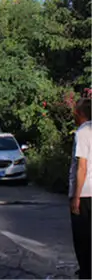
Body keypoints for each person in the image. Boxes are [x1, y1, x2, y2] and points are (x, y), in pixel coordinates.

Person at [69, 97, 92, 279]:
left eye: (75, 112)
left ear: (80, 113)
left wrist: (76, 197)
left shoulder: (83, 132)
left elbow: (82, 166)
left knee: (82, 237)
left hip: (85, 193)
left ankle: (86, 272)